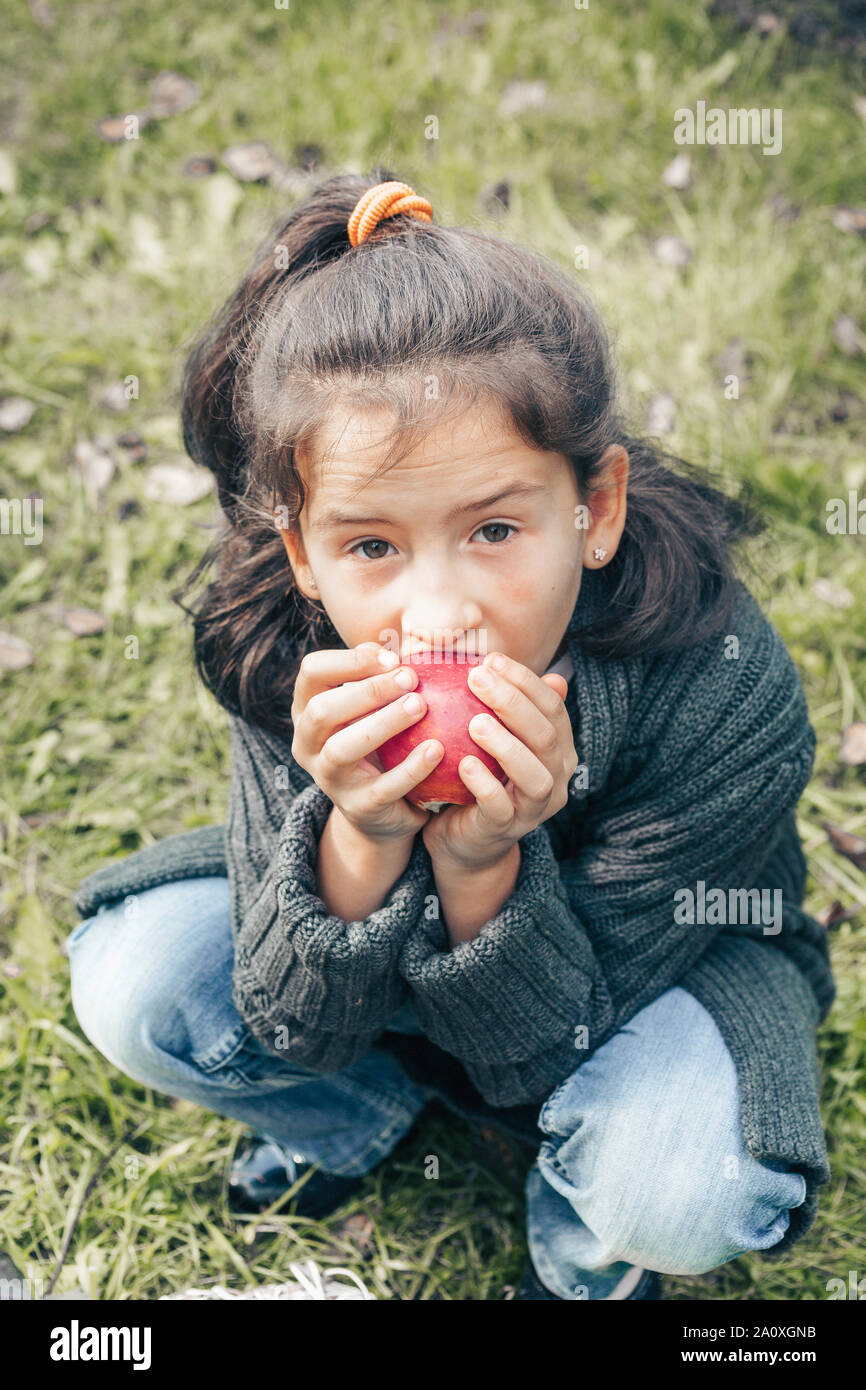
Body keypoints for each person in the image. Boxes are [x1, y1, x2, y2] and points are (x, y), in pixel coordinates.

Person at [67, 172, 835, 1301]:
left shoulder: (720, 693)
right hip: (385, 979)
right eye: (371, 546)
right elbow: (287, 1015)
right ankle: (360, 1121)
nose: (439, 612)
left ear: (596, 508)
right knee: (133, 979)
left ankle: (584, 1241)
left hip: (652, 974)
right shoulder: (291, 663)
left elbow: (556, 1041)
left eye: (493, 528)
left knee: (677, 1187)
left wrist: (484, 861)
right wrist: (360, 835)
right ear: (302, 558)